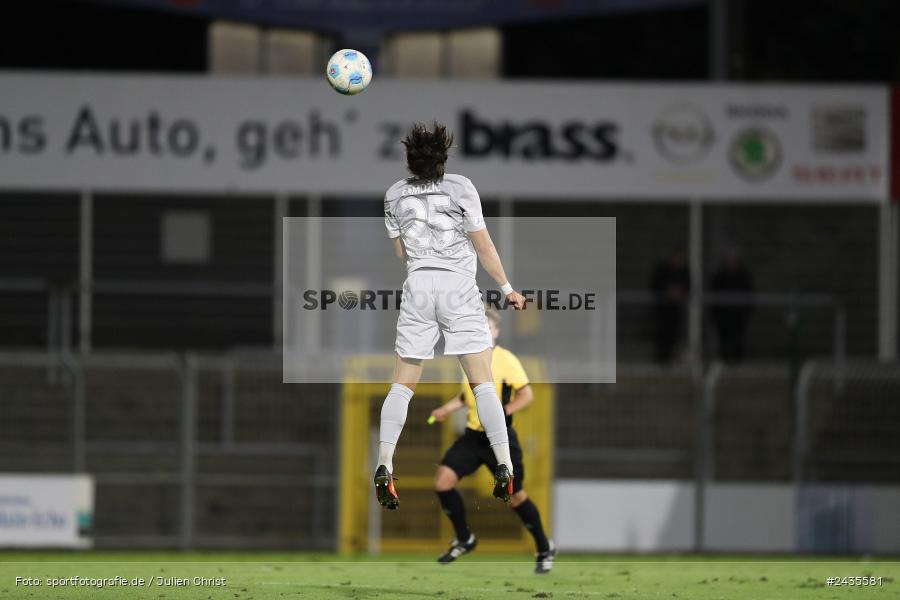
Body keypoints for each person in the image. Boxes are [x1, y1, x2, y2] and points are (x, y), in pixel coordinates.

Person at [374, 122, 527, 511]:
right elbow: (483, 244)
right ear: (443, 160)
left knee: (402, 385)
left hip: (418, 286)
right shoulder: (461, 187)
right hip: (458, 286)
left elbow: (400, 253)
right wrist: (507, 288)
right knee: (483, 385)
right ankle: (505, 465)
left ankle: (384, 462)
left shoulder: (393, 194)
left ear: (409, 160)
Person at [429, 309, 557, 574]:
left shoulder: (506, 360)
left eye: (488, 327)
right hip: (473, 436)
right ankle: (464, 539)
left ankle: (544, 548)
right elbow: (469, 396)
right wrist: (447, 409)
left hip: (499, 440)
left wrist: (501, 415)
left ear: (496, 332)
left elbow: (527, 395)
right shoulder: (470, 358)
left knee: (515, 497)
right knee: (443, 482)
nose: (483, 332)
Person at [710, 250, 754, 362]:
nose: (731, 262)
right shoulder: (719, 276)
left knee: (738, 340)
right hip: (723, 315)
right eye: (729, 260)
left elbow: (749, 294)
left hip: (738, 315)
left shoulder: (744, 276)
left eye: (734, 260)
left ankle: (737, 362)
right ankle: (724, 361)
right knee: (724, 340)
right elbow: (714, 295)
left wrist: (746, 311)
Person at [650, 249, 691, 364]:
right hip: (662, 310)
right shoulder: (662, 270)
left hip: (676, 310)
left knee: (674, 334)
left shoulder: (684, 271)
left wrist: (680, 293)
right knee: (662, 334)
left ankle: (670, 359)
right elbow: (655, 285)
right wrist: (667, 292)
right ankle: (661, 360)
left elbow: (688, 287)